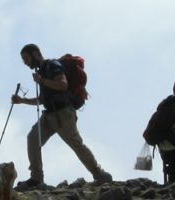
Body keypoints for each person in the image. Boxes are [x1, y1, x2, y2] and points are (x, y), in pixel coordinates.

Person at [12, 44, 112, 188]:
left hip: (63, 114)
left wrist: (42, 81)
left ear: (35, 53)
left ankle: (99, 174)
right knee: (33, 139)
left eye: (26, 58)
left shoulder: (53, 65)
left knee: (76, 144)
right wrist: (22, 101)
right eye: (23, 60)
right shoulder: (42, 72)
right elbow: (43, 99)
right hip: (49, 115)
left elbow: (63, 85)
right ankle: (36, 178)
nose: (25, 62)